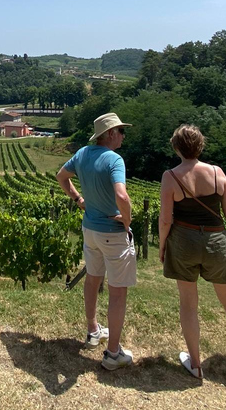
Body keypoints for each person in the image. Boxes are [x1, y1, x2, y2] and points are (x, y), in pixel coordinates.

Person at [159, 124, 226, 379]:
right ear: (201, 145)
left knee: (188, 304)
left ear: (176, 147)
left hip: (184, 242)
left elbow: (165, 220)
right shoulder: (218, 174)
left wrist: (163, 246)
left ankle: (196, 365)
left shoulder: (170, 176)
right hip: (216, 242)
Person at [56, 112, 137, 371]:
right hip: (112, 234)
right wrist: (126, 220)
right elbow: (122, 196)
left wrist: (79, 200)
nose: (124, 135)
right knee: (117, 291)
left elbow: (61, 176)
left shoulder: (82, 154)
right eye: (121, 131)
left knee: (93, 278)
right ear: (111, 134)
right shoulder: (114, 159)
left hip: (89, 229)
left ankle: (92, 329)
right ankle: (113, 353)